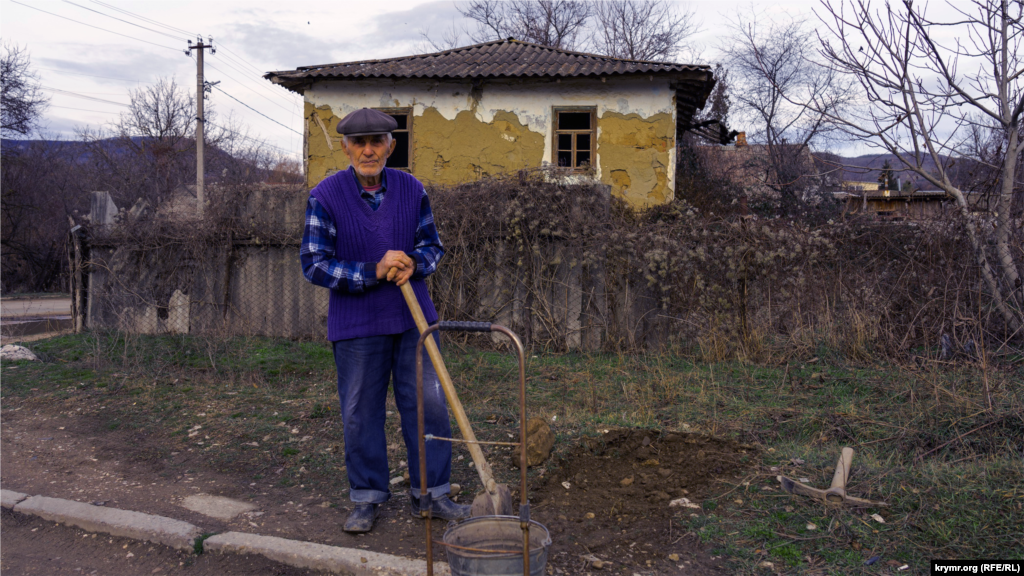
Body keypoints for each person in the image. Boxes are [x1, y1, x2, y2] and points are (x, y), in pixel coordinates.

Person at [300, 108, 470, 533]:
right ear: (346, 147)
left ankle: (431, 494)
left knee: (428, 407)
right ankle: (367, 497)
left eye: (377, 141)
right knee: (361, 411)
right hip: (357, 325)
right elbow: (315, 264)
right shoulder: (325, 195)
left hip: (414, 321)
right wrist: (373, 271)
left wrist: (416, 262)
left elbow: (433, 246)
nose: (369, 150)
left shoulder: (412, 190)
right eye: (359, 142)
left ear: (391, 146)